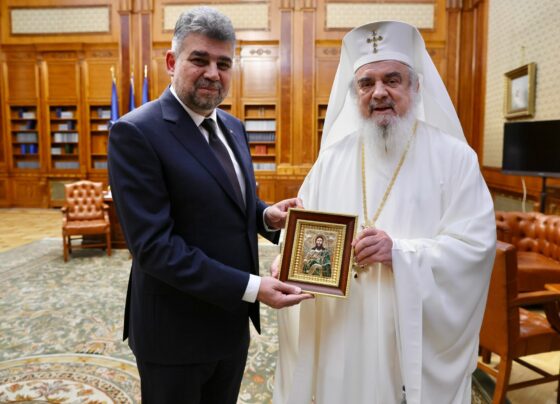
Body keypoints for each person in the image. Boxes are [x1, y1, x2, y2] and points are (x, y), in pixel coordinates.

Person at [273, 20, 496, 404]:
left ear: (416, 87)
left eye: (392, 80)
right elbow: (306, 235)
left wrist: (399, 253)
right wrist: (287, 260)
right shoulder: (331, 160)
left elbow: (475, 247)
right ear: (354, 93)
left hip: (408, 329)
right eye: (366, 83)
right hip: (342, 327)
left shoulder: (455, 158)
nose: (379, 93)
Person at [108, 7, 311, 403]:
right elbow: (154, 248)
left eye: (224, 63)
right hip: (174, 335)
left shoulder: (233, 127)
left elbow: (229, 200)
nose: (213, 73)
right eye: (199, 60)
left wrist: (265, 215)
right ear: (172, 62)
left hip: (230, 325)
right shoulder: (136, 132)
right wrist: (253, 287)